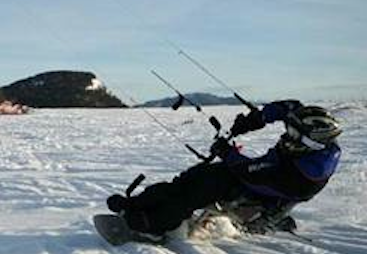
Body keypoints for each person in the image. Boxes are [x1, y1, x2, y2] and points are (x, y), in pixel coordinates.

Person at [106, 100, 343, 240]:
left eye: (292, 133)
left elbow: (250, 172)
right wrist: (255, 119)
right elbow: (288, 108)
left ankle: (150, 225)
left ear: (312, 142)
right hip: (257, 176)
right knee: (192, 177)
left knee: (202, 185)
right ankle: (137, 204)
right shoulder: (311, 142)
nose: (285, 135)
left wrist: (227, 152)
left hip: (258, 189)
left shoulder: (301, 174)